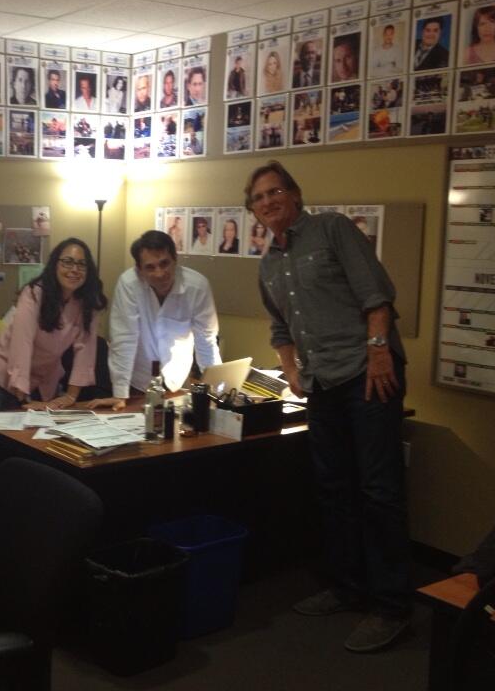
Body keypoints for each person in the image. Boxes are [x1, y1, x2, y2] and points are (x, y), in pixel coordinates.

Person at [245, 160, 410, 653]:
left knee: (379, 490)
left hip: (367, 375)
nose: (268, 201)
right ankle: (347, 587)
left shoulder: (332, 229)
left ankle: (392, 606)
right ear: (252, 210)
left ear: (294, 195)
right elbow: (280, 327)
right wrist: (290, 369)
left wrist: (379, 353)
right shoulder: (268, 265)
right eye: (258, 197)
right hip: (321, 384)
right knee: (334, 488)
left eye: (275, 191)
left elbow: (376, 297)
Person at [87, 231, 220, 410]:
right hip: (137, 381)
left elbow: (206, 341)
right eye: (150, 267)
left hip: (177, 380)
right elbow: (124, 339)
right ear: (139, 269)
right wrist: (119, 393)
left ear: (175, 259)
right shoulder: (129, 284)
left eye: (164, 263)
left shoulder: (197, 286)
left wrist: (216, 389)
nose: (160, 273)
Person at [0, 238, 106, 411]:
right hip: (8, 373)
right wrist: (23, 397)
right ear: (55, 265)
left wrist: (71, 396)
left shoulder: (88, 301)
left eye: (81, 264)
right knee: (8, 425)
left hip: (45, 377)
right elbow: (22, 343)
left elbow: (86, 348)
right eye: (67, 262)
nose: (74, 270)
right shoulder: (34, 293)